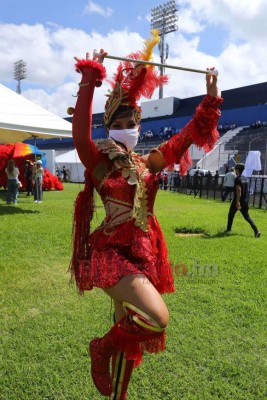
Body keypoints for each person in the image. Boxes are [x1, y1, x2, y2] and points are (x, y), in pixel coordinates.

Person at [69, 30, 222, 400]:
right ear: (109, 127)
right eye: (118, 124)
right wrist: (90, 78)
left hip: (143, 256)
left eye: (132, 122)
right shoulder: (101, 162)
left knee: (130, 330)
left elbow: (186, 137)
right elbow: (79, 135)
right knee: (156, 319)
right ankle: (101, 347)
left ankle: (119, 394)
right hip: (110, 257)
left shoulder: (150, 161)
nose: (127, 129)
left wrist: (210, 100)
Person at [226, 163, 261, 237]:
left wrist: (237, 201)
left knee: (231, 215)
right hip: (245, 201)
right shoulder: (245, 178)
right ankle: (256, 230)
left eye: (235, 169)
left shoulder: (237, 179)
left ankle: (228, 229)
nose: (235, 171)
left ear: (238, 170)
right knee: (247, 217)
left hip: (238, 200)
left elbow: (239, 190)